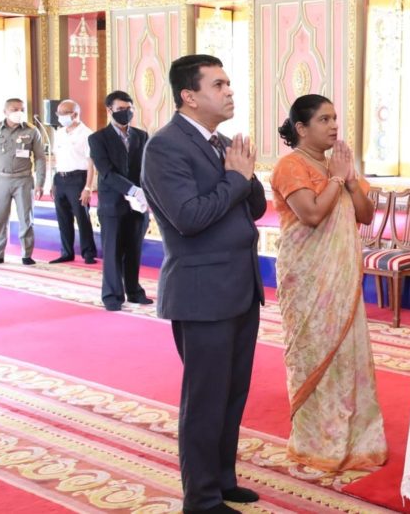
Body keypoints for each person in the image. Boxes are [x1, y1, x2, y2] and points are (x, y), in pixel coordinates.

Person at [142, 54, 266, 514]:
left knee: (233, 393)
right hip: (202, 292)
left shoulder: (220, 142)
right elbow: (189, 218)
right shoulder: (166, 146)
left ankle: (222, 479)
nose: (230, 91)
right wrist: (236, 177)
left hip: (239, 286)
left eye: (230, 82)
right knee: (205, 399)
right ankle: (201, 498)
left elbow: (251, 208)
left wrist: (244, 174)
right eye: (219, 84)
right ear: (189, 96)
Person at [269, 94, 387, 472]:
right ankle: (316, 443)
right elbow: (313, 214)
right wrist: (337, 177)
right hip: (307, 277)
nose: (334, 125)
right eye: (324, 119)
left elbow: (366, 216)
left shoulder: (340, 165)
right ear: (301, 129)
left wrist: (350, 181)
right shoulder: (290, 167)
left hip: (342, 279)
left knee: (348, 358)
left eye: (335, 117)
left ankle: (356, 441)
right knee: (315, 354)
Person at [88, 91, 151, 310]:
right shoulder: (97, 139)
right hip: (112, 203)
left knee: (134, 249)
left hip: (139, 205)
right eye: (121, 109)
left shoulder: (142, 136)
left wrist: (146, 193)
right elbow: (106, 172)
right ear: (109, 110)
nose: (126, 113)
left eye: (129, 109)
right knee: (113, 251)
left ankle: (133, 290)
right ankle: (112, 295)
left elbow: (148, 167)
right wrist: (132, 190)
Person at [0, 98, 46, 266]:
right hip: (0, 180)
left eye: (21, 109)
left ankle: (27, 254)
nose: (18, 112)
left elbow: (40, 158)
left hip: (23, 180)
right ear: (5, 111)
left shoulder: (32, 131)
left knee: (26, 219)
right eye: (14, 109)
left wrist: (40, 182)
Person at [49, 99, 98, 265]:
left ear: (75, 114)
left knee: (82, 218)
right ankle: (66, 252)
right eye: (58, 114)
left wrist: (88, 187)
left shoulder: (87, 134)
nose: (60, 117)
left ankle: (88, 252)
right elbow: (56, 158)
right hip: (60, 178)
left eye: (63, 114)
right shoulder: (59, 133)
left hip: (78, 178)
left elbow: (91, 163)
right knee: (63, 218)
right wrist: (53, 182)